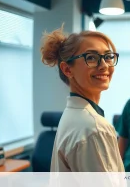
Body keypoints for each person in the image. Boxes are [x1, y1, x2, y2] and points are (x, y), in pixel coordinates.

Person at [40, 26, 124, 172]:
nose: (104, 65)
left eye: (108, 57)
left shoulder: (73, 116)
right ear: (67, 69)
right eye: (91, 57)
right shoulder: (94, 128)